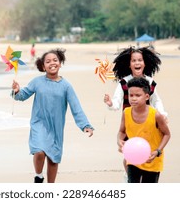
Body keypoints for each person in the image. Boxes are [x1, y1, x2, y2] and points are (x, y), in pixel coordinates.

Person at [11, 48, 94, 183]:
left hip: (56, 127)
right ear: (43, 66)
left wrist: (85, 125)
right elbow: (22, 95)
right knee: (39, 151)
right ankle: (38, 176)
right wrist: (16, 90)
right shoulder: (37, 82)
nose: (52, 63)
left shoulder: (66, 86)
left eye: (55, 60)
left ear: (60, 63)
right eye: (48, 61)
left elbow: (76, 107)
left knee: (53, 159)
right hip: (39, 123)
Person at [103, 46, 167, 181]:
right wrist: (110, 104)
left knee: (146, 153)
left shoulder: (150, 82)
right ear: (129, 64)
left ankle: (143, 176)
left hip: (147, 125)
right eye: (134, 61)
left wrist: (163, 114)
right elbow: (116, 102)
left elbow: (157, 101)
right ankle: (130, 177)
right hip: (131, 123)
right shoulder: (124, 82)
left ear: (145, 63)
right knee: (129, 157)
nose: (137, 63)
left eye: (140, 60)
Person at [117, 77, 171, 183]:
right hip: (133, 159)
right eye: (131, 95)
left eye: (138, 95)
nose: (133, 98)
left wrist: (158, 151)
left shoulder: (155, 115)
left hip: (152, 160)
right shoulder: (126, 113)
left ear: (146, 96)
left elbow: (167, 134)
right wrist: (119, 141)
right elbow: (122, 131)